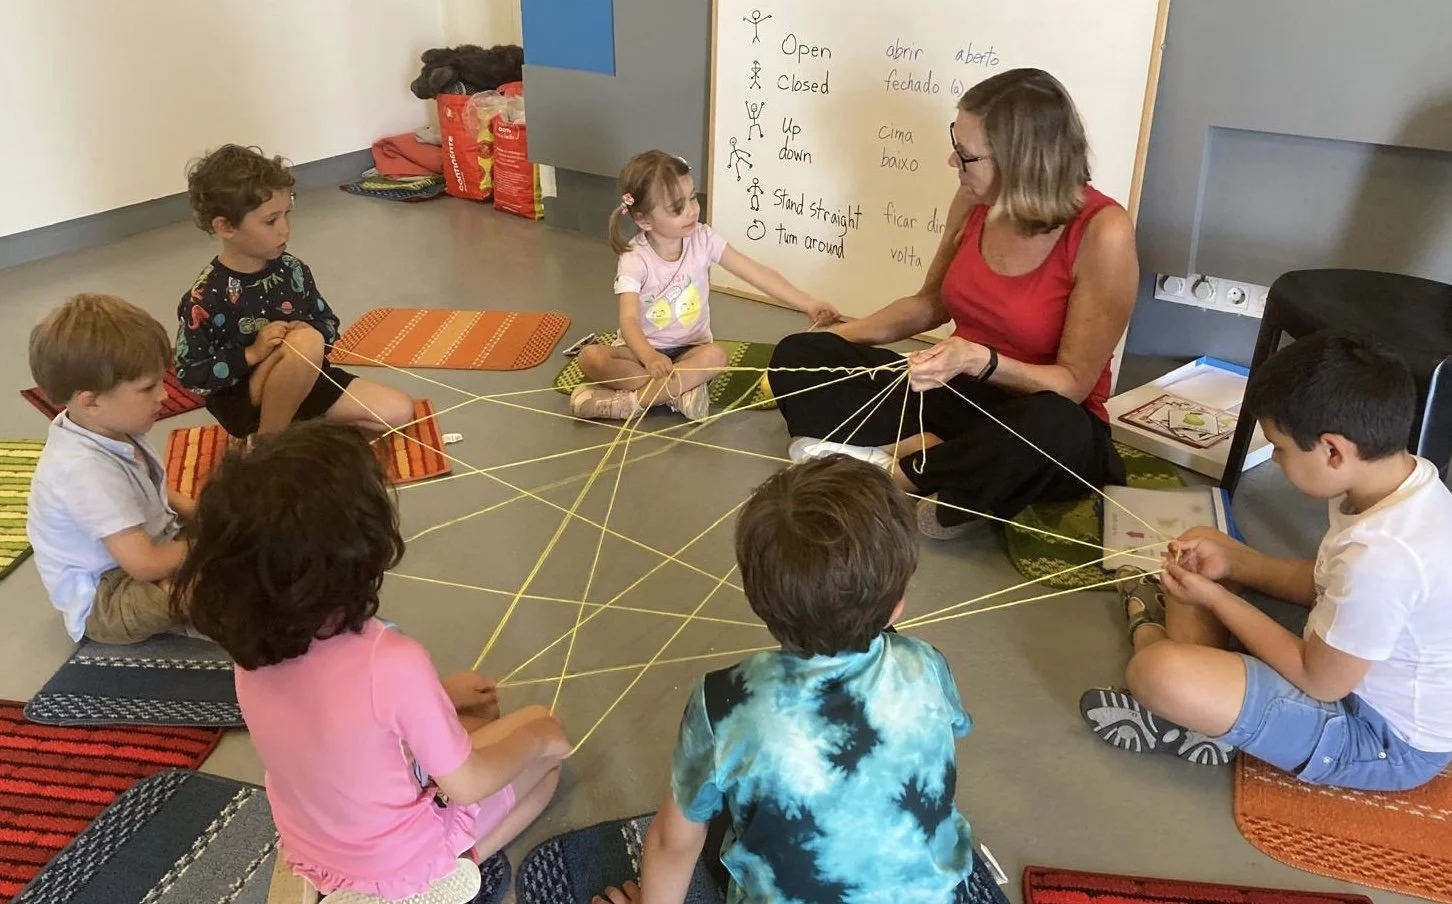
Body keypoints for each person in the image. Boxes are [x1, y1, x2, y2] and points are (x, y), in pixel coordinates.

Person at [174, 421, 569, 898]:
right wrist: (540, 738)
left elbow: (340, 725)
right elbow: (468, 784)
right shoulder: (392, 662)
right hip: (395, 858)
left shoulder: (251, 646)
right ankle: (444, 873)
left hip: (312, 845)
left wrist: (441, 694)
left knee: (475, 720)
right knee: (544, 749)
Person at [594, 455, 983, 904]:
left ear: (757, 601)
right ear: (896, 607)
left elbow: (672, 842)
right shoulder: (926, 664)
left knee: (724, 804)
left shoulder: (724, 703)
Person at [767, 69, 1137, 540]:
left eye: (965, 155)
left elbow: (1072, 385)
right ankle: (945, 471)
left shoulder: (1103, 232)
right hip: (959, 392)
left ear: (1020, 160)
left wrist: (978, 359)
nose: (952, 161)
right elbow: (929, 306)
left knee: (1057, 427)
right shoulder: (972, 200)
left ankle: (892, 476)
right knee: (797, 354)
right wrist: (831, 343)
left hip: (1042, 416)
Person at [1080, 333, 1452, 791]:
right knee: (1203, 548)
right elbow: (1321, 583)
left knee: (1157, 672)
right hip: (1343, 662)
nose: (1274, 459)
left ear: (1333, 450)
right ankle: (1207, 704)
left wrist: (1216, 599)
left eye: (1280, 447)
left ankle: (1154, 643)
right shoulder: (1395, 481)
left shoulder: (1383, 557)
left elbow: (1320, 681)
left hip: (1377, 739)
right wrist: (1233, 566)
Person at [570, 150, 839, 422]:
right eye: (677, 208)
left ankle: (630, 403)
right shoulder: (634, 258)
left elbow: (756, 273)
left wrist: (807, 303)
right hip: (641, 354)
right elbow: (628, 320)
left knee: (716, 357)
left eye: (692, 197)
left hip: (691, 351)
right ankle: (678, 392)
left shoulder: (703, 239)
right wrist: (649, 357)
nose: (691, 210)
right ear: (644, 220)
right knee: (591, 358)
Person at [175, 144, 413, 441]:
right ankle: (269, 443)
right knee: (306, 342)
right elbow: (192, 376)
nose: (285, 229)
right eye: (270, 221)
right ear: (225, 227)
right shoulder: (204, 296)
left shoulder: (292, 269)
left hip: (305, 379)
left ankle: (293, 426)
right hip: (244, 399)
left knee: (397, 411)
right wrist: (252, 353)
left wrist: (308, 332)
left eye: (287, 214)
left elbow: (328, 323)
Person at [26, 294, 196, 644]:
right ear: (91, 401)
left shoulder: (107, 426)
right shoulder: (83, 470)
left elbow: (151, 489)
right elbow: (145, 564)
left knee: (241, 520)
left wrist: (202, 513)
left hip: (146, 549)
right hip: (108, 596)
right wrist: (211, 545)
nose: (164, 395)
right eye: (148, 388)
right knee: (215, 579)